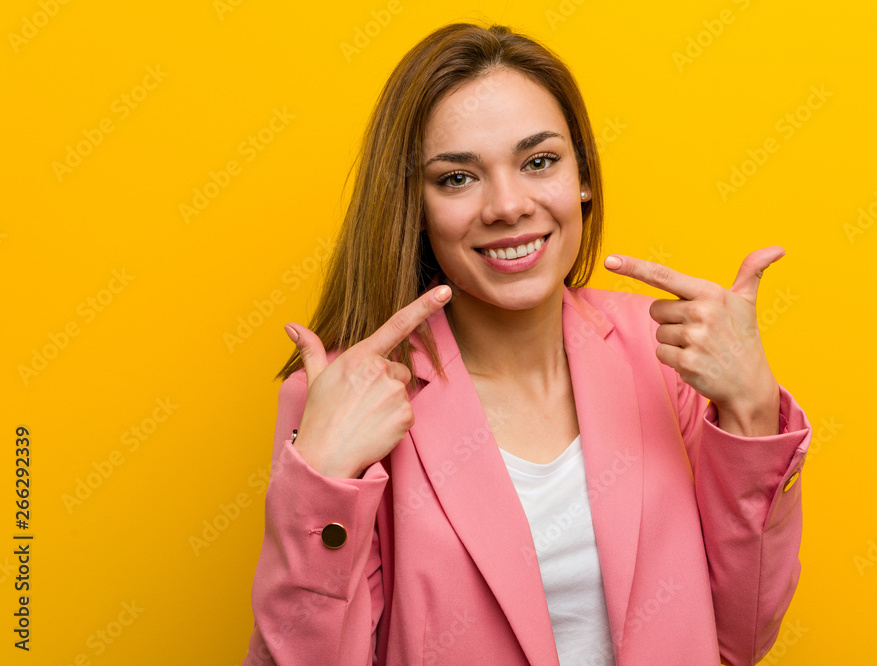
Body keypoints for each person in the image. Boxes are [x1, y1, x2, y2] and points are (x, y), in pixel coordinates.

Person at [243, 22, 811, 666]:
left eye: (539, 162)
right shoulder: (345, 396)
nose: (508, 206)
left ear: (583, 177)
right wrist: (320, 484)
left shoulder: (664, 351)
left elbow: (739, 638)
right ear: (414, 208)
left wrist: (752, 411)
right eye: (458, 178)